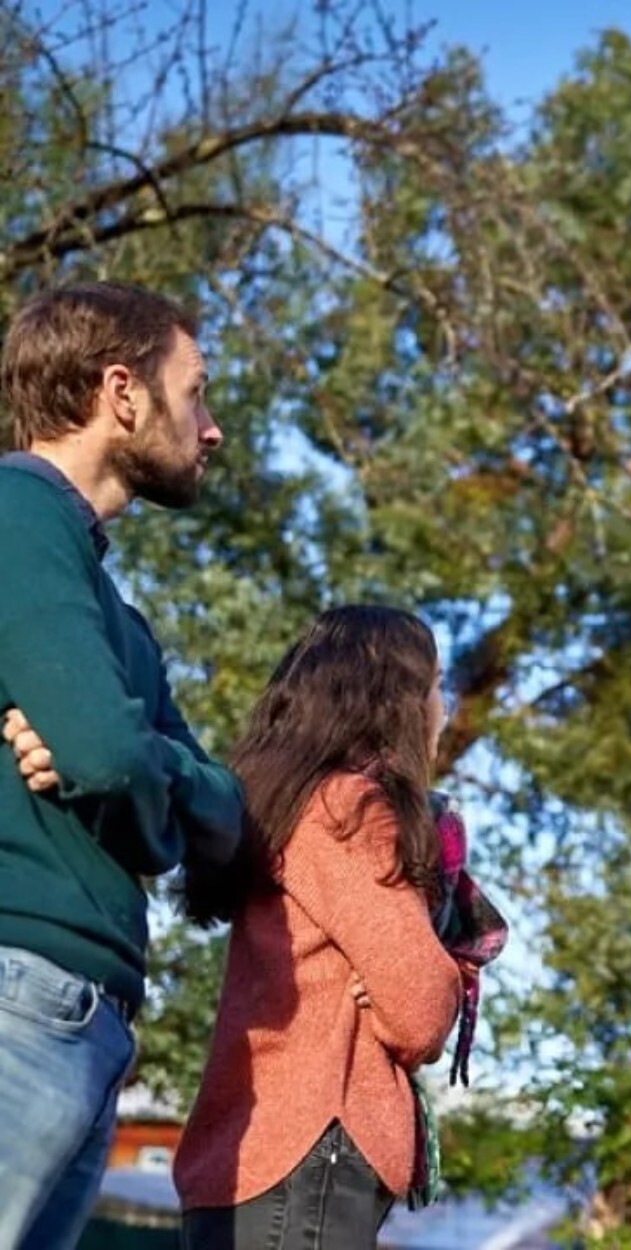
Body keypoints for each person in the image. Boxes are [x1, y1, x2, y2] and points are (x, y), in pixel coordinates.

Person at [0, 283, 244, 1248]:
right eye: (197, 393)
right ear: (122, 393)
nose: (212, 429)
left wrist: (146, 772)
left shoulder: (122, 622)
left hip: (84, 1024)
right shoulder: (17, 517)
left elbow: (224, 816)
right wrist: (131, 767)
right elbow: (109, 756)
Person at [173, 605, 467, 1249]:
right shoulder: (347, 809)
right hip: (312, 1149)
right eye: (436, 684)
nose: (444, 706)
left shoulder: (284, 803)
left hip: (258, 1153)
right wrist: (422, 986)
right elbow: (420, 1006)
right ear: (397, 700)